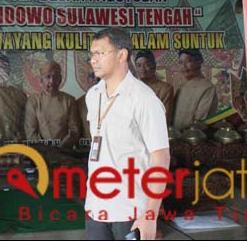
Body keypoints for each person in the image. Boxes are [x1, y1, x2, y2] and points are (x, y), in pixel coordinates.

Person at [85, 28, 170, 240]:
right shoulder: (93, 96)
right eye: (91, 54)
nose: (93, 60)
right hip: (96, 206)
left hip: (130, 210)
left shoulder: (144, 99)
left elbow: (161, 158)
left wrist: (150, 215)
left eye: (99, 54)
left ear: (121, 55)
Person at [24, 60, 81, 149]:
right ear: (41, 80)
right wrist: (44, 149)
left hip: (65, 151)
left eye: (56, 77)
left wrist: (61, 147)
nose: (52, 81)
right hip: (41, 152)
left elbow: (74, 130)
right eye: (48, 77)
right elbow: (31, 133)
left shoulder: (69, 100)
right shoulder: (33, 101)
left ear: (61, 79)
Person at [173, 49, 219, 131]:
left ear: (199, 62)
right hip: (178, 137)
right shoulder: (181, 87)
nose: (184, 66)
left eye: (188, 61)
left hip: (195, 138)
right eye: (181, 62)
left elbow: (200, 122)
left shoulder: (207, 87)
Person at [134, 50, 175, 125]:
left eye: (147, 65)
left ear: (153, 66)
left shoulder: (165, 89)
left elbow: (165, 119)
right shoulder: (133, 88)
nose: (142, 68)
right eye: (139, 65)